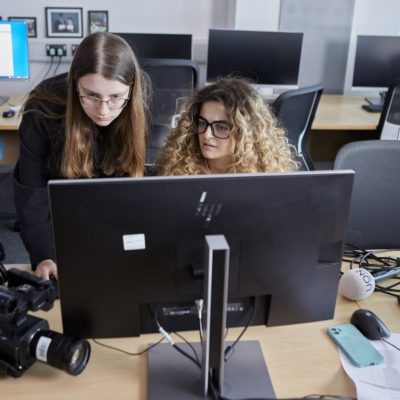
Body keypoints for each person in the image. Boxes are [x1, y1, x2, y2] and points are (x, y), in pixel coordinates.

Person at [14, 32, 149, 280]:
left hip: (116, 216)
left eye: (115, 98)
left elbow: (137, 191)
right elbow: (32, 194)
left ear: (130, 90)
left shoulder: (136, 105)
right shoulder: (42, 108)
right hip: (63, 217)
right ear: (75, 83)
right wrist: (44, 256)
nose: (103, 111)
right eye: (92, 96)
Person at [156, 77, 299, 175]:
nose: (207, 135)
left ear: (246, 132)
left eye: (221, 127)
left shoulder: (264, 173)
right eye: (202, 123)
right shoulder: (178, 170)